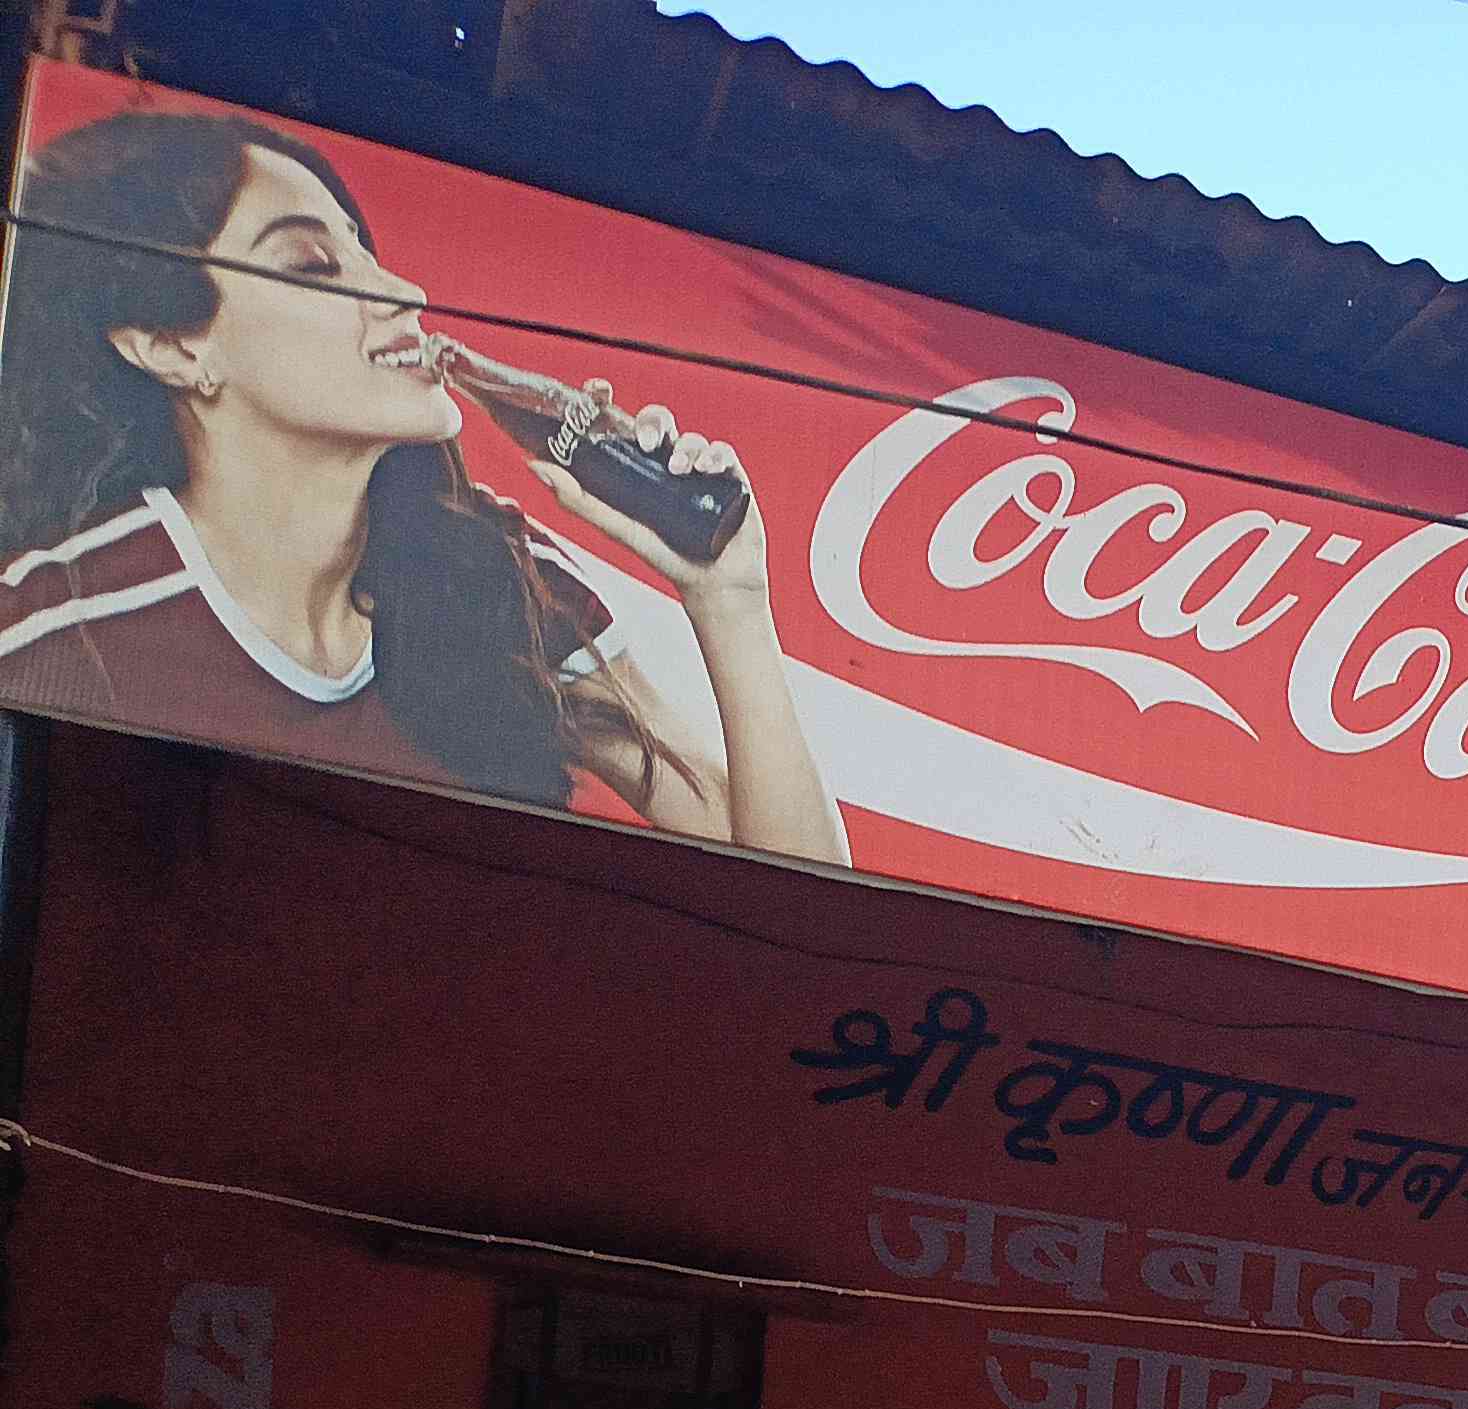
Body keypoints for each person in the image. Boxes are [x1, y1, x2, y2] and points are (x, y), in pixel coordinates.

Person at [0, 110, 843, 859]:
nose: (404, 292)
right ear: (171, 347)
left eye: (365, 253)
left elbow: (795, 890)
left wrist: (729, 599)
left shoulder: (492, 570)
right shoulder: (59, 629)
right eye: (314, 266)